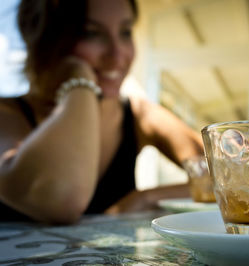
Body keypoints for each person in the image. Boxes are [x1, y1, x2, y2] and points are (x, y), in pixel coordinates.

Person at [0, 0, 204, 224]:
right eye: (90, 33)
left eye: (126, 32)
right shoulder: (7, 113)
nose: (118, 55)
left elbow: (230, 177)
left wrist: (147, 197)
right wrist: (80, 80)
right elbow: (60, 200)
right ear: (41, 39)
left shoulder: (138, 114)